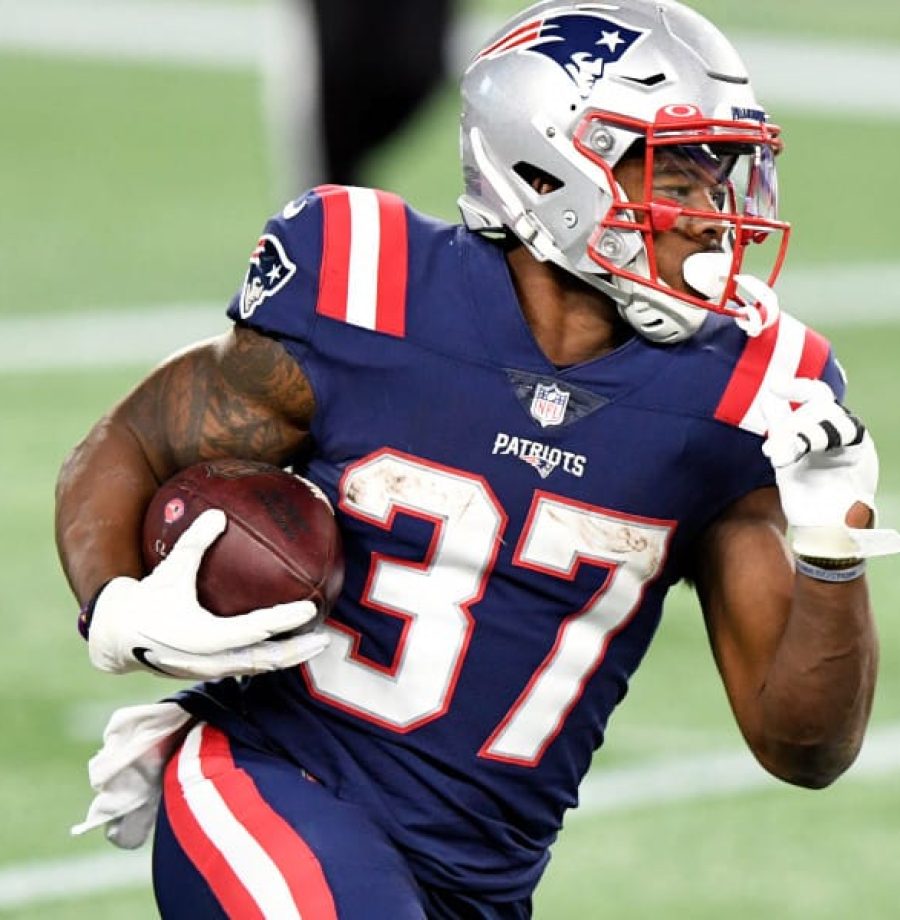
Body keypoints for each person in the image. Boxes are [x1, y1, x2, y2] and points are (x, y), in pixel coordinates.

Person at [56, 1, 900, 917]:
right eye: (676, 181)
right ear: (550, 167)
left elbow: (804, 748)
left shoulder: (745, 392)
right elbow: (134, 441)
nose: (710, 221)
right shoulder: (368, 286)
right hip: (271, 785)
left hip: (477, 885)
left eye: (720, 180)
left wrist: (829, 549)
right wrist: (113, 599)